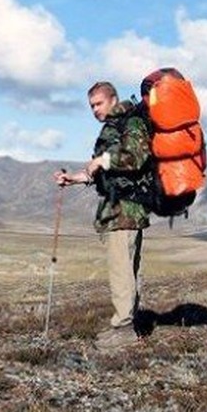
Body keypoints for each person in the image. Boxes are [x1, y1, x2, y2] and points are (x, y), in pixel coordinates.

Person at [55, 80, 152, 351]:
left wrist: (102, 160)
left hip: (126, 210)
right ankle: (125, 325)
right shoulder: (113, 128)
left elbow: (136, 156)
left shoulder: (130, 121)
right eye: (91, 106)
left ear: (112, 99)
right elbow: (99, 174)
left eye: (98, 103)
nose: (94, 110)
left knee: (122, 271)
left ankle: (123, 331)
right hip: (116, 210)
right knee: (125, 271)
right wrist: (72, 178)